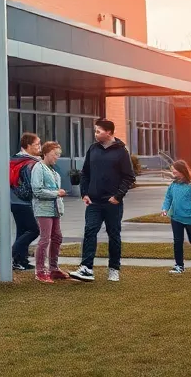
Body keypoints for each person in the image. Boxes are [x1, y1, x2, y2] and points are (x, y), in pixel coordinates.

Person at [69, 119, 136, 283]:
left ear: (109, 132)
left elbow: (129, 177)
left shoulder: (121, 152)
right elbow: (85, 173)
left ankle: (114, 269)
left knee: (114, 235)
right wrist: (84, 193)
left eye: (99, 131)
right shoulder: (93, 149)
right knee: (90, 231)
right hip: (94, 202)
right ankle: (86, 268)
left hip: (113, 203)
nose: (96, 134)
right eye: (96, 131)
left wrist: (117, 196)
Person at [161, 159, 191, 274]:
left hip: (190, 218)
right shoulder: (173, 185)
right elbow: (168, 198)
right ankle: (179, 265)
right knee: (177, 241)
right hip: (175, 217)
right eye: (173, 172)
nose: (173, 174)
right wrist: (164, 209)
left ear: (182, 171)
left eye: (175, 172)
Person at [31, 140, 69, 283]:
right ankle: (40, 271)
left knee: (57, 237)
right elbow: (37, 190)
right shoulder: (38, 168)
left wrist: (58, 195)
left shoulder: (52, 169)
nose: (57, 157)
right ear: (46, 153)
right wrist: (56, 193)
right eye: (55, 154)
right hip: (43, 209)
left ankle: (53, 268)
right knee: (45, 239)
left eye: (59, 155)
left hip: (55, 209)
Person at [9, 132, 42, 272]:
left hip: (13, 201)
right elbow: (30, 186)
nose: (40, 147)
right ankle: (13, 252)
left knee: (22, 231)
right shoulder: (29, 163)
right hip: (24, 202)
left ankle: (20, 261)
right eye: (37, 144)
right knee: (34, 230)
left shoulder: (15, 159)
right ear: (28, 146)